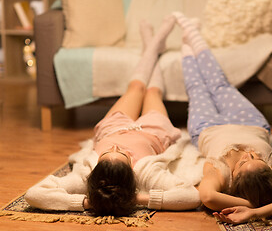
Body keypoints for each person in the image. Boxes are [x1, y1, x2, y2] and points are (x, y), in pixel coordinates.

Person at [25, 15, 201, 217]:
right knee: (152, 92)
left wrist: (85, 202)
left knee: (136, 86)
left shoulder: (84, 176)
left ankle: (151, 44)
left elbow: (34, 194)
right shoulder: (147, 175)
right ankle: (154, 44)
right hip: (153, 129)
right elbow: (191, 196)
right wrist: (137, 199)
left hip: (113, 126)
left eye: (109, 152)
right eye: (122, 155)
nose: (116, 147)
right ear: (131, 179)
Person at [173, 12, 272, 224]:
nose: (248, 154)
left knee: (197, 89)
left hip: (207, 126)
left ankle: (186, 43)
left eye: (242, 164)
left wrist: (252, 209)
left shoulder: (221, 175)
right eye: (256, 158)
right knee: (220, 83)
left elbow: (207, 197)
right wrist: (262, 208)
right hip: (249, 121)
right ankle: (193, 33)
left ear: (235, 180)